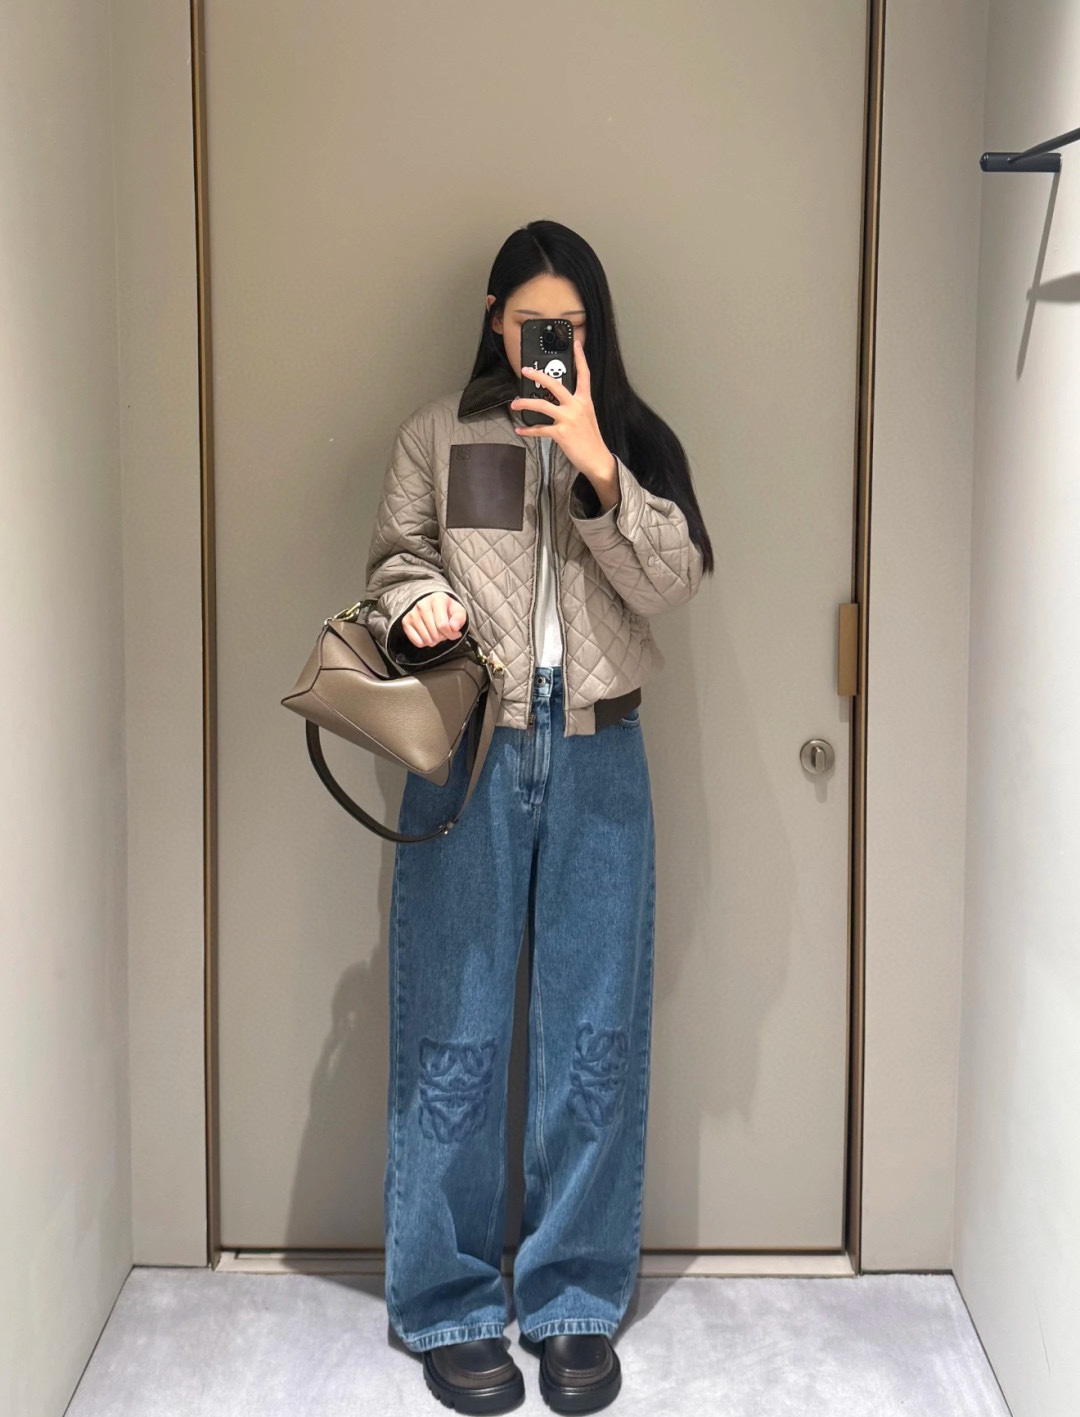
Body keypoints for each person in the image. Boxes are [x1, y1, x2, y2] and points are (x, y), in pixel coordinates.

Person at [362, 219, 713, 1414]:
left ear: (593, 329)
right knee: (453, 1027)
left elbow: (673, 579)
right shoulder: (438, 433)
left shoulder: (631, 438)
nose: (548, 343)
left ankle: (572, 1299)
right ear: (495, 320)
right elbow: (392, 561)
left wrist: (597, 462)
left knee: (593, 1035)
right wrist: (416, 604)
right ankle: (448, 1298)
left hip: (602, 755)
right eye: (530, 324)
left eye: (569, 325)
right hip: (469, 751)